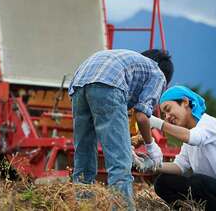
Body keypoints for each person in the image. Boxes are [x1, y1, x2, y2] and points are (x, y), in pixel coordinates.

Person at [68, 49, 174, 209]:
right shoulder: (158, 74)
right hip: (108, 83)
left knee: (84, 155)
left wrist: (126, 146)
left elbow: (113, 120)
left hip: (79, 82)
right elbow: (141, 116)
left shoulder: (132, 65)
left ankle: (83, 205)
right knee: (119, 164)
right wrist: (151, 146)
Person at [148, 86, 216, 210]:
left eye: (168, 109)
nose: (167, 116)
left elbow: (193, 138)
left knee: (197, 181)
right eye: (164, 114)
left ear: (185, 102)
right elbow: (179, 167)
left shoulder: (210, 124)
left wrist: (158, 123)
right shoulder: (189, 137)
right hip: (212, 194)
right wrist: (151, 164)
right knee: (162, 182)